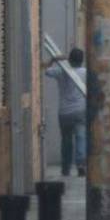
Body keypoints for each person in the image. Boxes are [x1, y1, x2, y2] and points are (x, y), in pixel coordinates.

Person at [45, 47, 87, 177]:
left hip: (64, 113)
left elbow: (46, 71)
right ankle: (80, 165)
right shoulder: (85, 72)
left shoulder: (61, 72)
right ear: (81, 60)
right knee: (81, 138)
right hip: (80, 111)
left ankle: (66, 168)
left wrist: (53, 59)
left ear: (70, 59)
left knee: (66, 141)